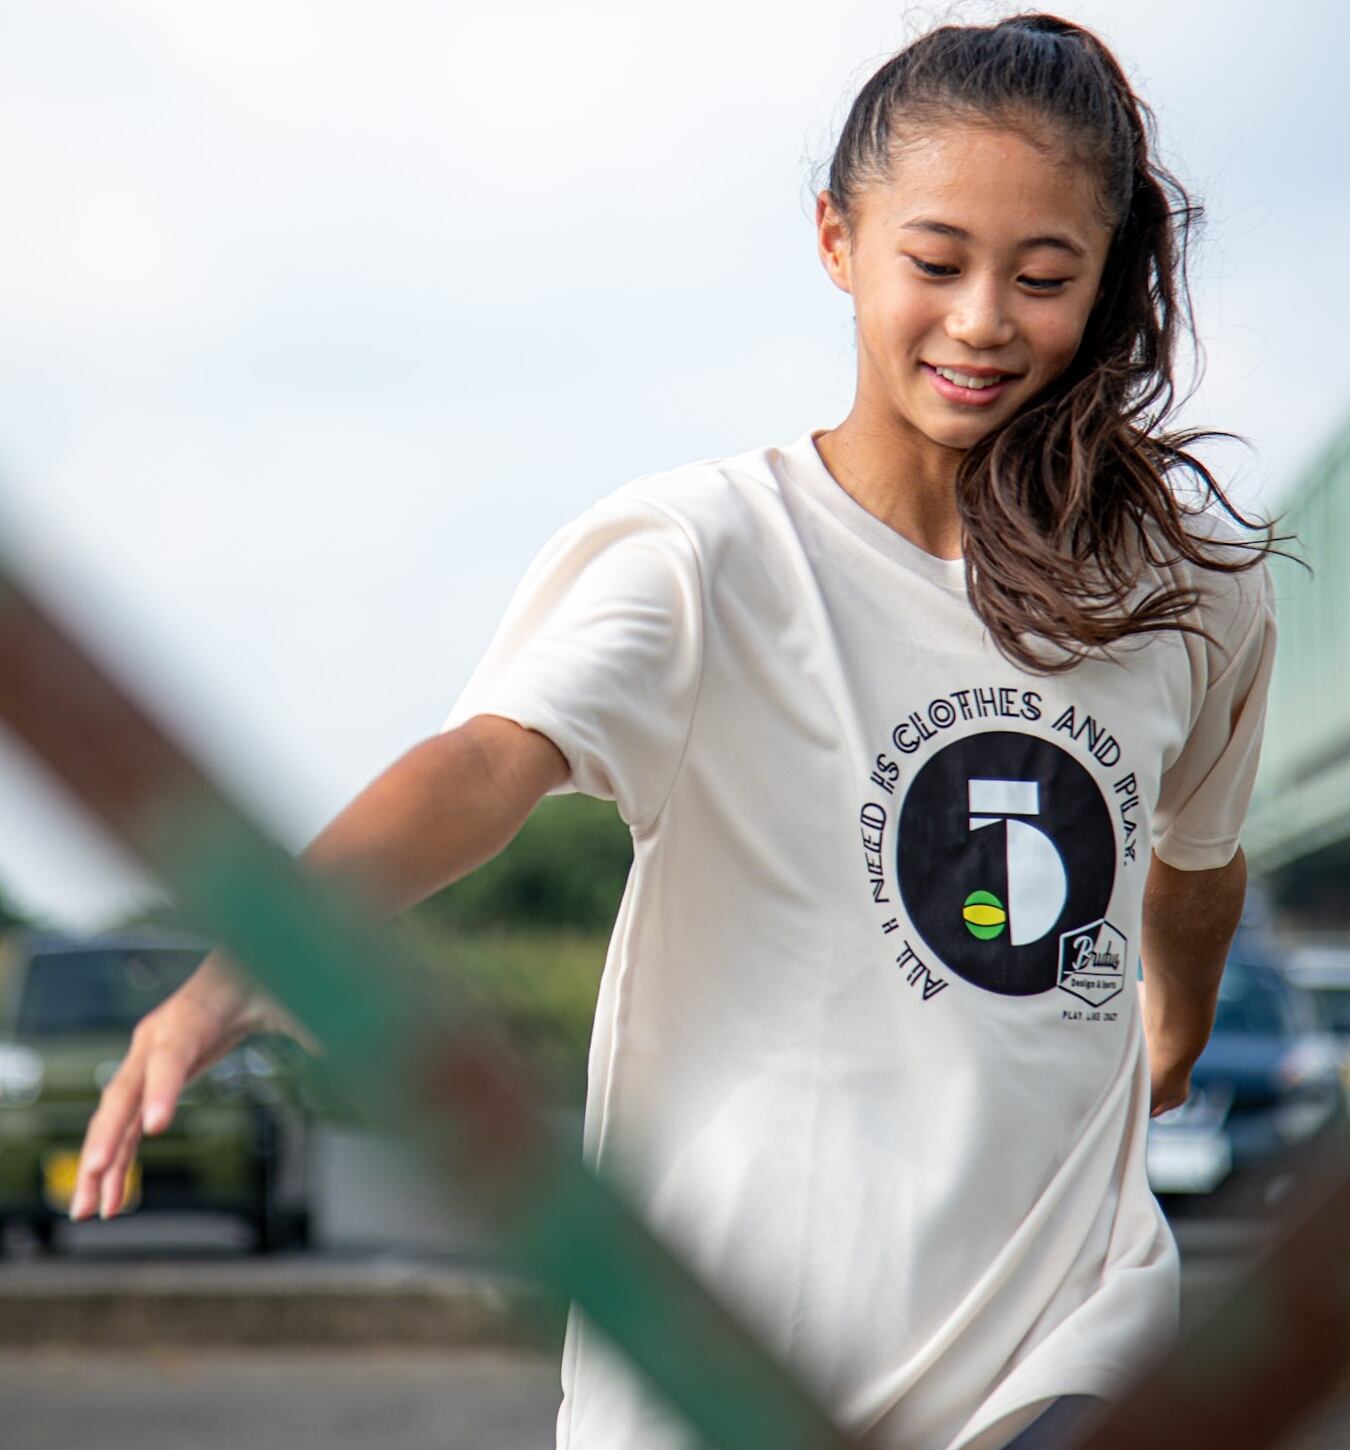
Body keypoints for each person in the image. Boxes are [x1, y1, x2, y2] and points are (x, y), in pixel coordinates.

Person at [68, 13, 1280, 1450]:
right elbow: (484, 764)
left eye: (1041, 278)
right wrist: (251, 962)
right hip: (718, 1370)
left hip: (1057, 1346)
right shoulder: (704, 556)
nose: (979, 321)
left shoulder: (1185, 592)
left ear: (1104, 275)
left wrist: (1173, 1024)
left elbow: (1195, 858)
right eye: (935, 262)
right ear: (836, 239)